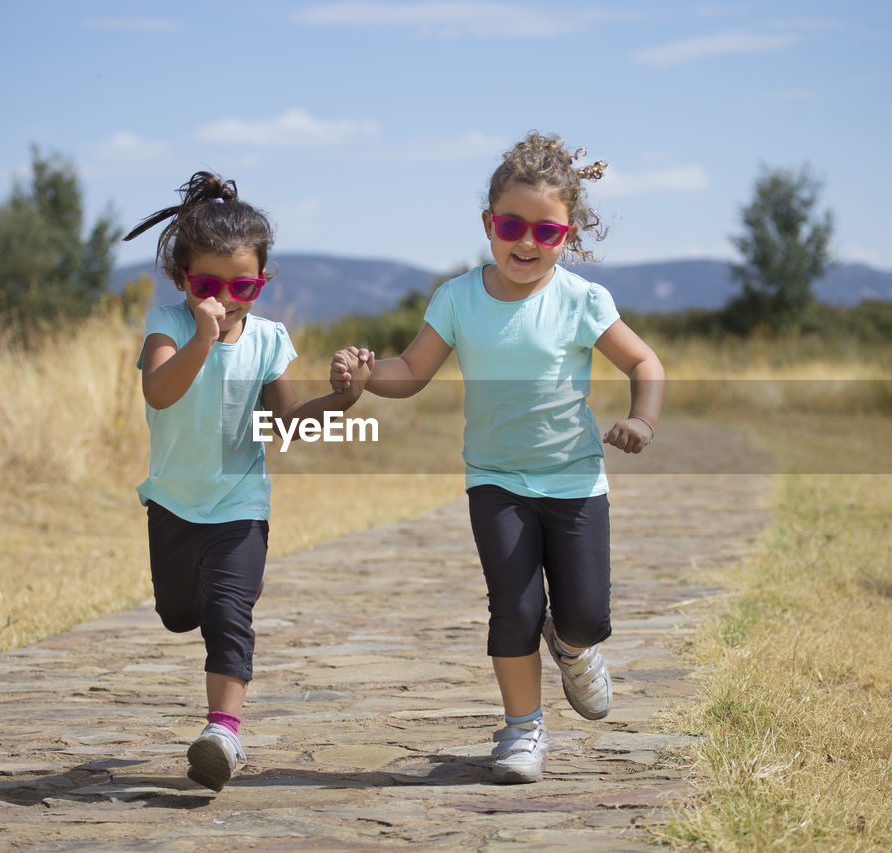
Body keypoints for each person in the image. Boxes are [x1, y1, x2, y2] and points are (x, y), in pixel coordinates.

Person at [331, 132, 664, 784]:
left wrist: (642, 418)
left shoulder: (581, 300)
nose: (528, 242)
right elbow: (412, 370)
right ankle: (522, 728)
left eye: (548, 231)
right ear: (489, 223)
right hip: (496, 480)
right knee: (512, 606)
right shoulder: (458, 299)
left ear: (568, 234)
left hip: (573, 480)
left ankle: (570, 645)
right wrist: (368, 376)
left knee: (587, 614)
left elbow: (645, 361)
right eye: (512, 225)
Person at [125, 170, 368, 792]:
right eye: (209, 285)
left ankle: (222, 732)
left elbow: (285, 427)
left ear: (261, 281)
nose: (226, 299)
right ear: (183, 279)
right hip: (175, 506)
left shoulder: (267, 340)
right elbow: (159, 391)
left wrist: (343, 400)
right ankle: (212, 686)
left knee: (230, 615)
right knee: (182, 614)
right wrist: (203, 339)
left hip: (240, 506)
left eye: (244, 286)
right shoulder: (169, 326)